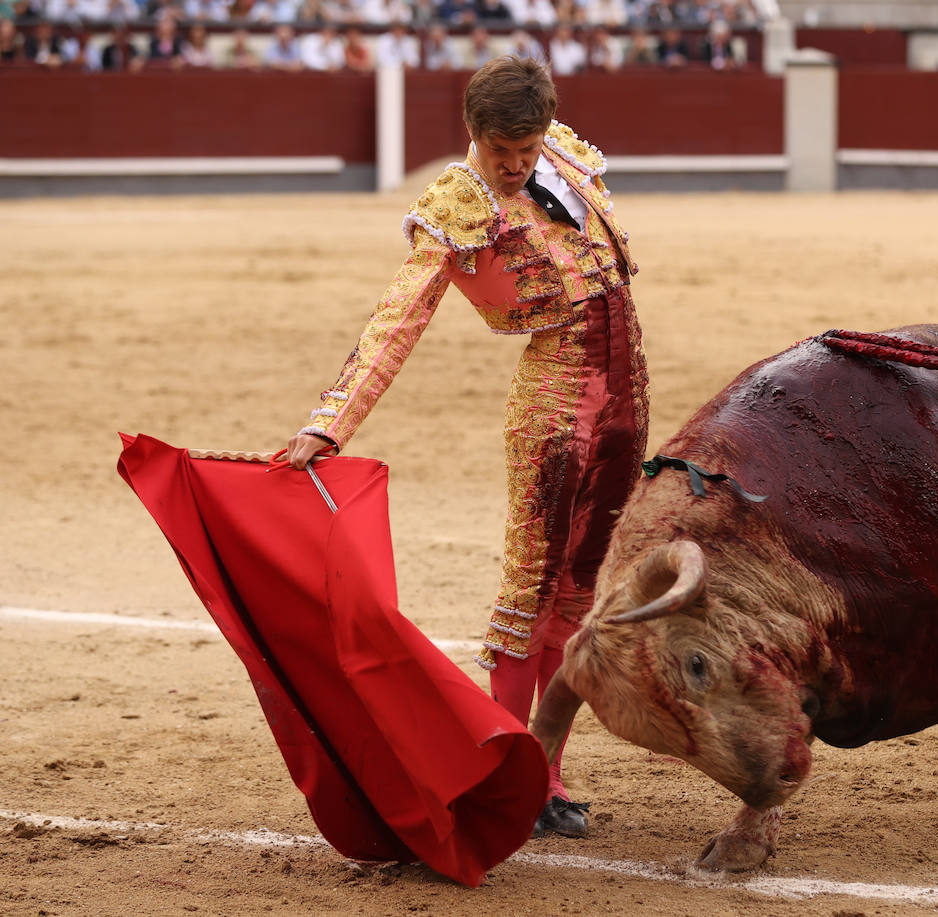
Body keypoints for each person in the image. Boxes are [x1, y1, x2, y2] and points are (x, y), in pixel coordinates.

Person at [283, 56, 647, 840]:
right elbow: (400, 315)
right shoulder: (459, 202)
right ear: (472, 134)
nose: (515, 166)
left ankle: (544, 769)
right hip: (554, 398)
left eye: (526, 149)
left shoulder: (563, 156)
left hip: (626, 390)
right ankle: (504, 776)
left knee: (580, 593)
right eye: (500, 151)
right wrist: (331, 421)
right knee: (528, 594)